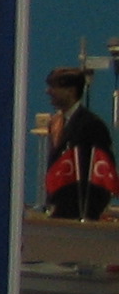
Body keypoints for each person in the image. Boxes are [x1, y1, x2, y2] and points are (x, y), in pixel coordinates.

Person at [44, 67, 118, 220]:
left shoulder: (92, 125)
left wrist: (89, 212)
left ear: (71, 91)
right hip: (58, 210)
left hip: (80, 212)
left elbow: (103, 171)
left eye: (54, 87)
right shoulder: (56, 123)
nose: (48, 91)